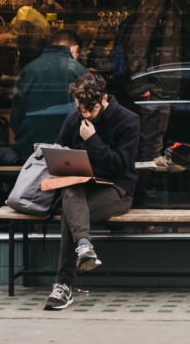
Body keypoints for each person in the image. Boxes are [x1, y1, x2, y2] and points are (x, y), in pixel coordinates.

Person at [44, 73, 140, 311]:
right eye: (81, 109)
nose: (86, 115)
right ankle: (84, 246)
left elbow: (121, 165)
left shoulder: (128, 120)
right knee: (70, 195)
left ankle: (63, 285)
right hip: (79, 189)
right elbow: (60, 152)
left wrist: (93, 139)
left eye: (92, 110)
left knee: (71, 215)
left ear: (104, 99)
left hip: (116, 190)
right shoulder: (73, 118)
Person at [128, 0, 188, 162]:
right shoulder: (156, 1)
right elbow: (138, 43)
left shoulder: (167, 1)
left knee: (155, 141)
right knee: (151, 143)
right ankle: (146, 192)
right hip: (156, 86)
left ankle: (148, 189)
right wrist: (141, 84)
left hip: (163, 85)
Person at [10, 30, 87, 162]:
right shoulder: (79, 71)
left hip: (29, 152)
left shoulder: (27, 70)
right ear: (75, 49)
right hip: (69, 154)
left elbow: (15, 119)